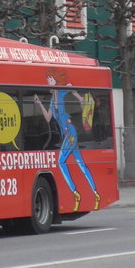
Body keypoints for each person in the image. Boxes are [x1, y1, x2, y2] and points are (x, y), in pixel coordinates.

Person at [34, 74, 100, 212]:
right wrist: (40, 104)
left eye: (50, 79)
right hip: (67, 135)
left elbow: (71, 88)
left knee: (61, 162)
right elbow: (48, 118)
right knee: (81, 165)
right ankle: (95, 194)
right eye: (48, 80)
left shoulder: (61, 91)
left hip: (70, 132)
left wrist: (80, 98)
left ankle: (76, 194)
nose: (49, 82)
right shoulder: (52, 100)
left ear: (55, 81)